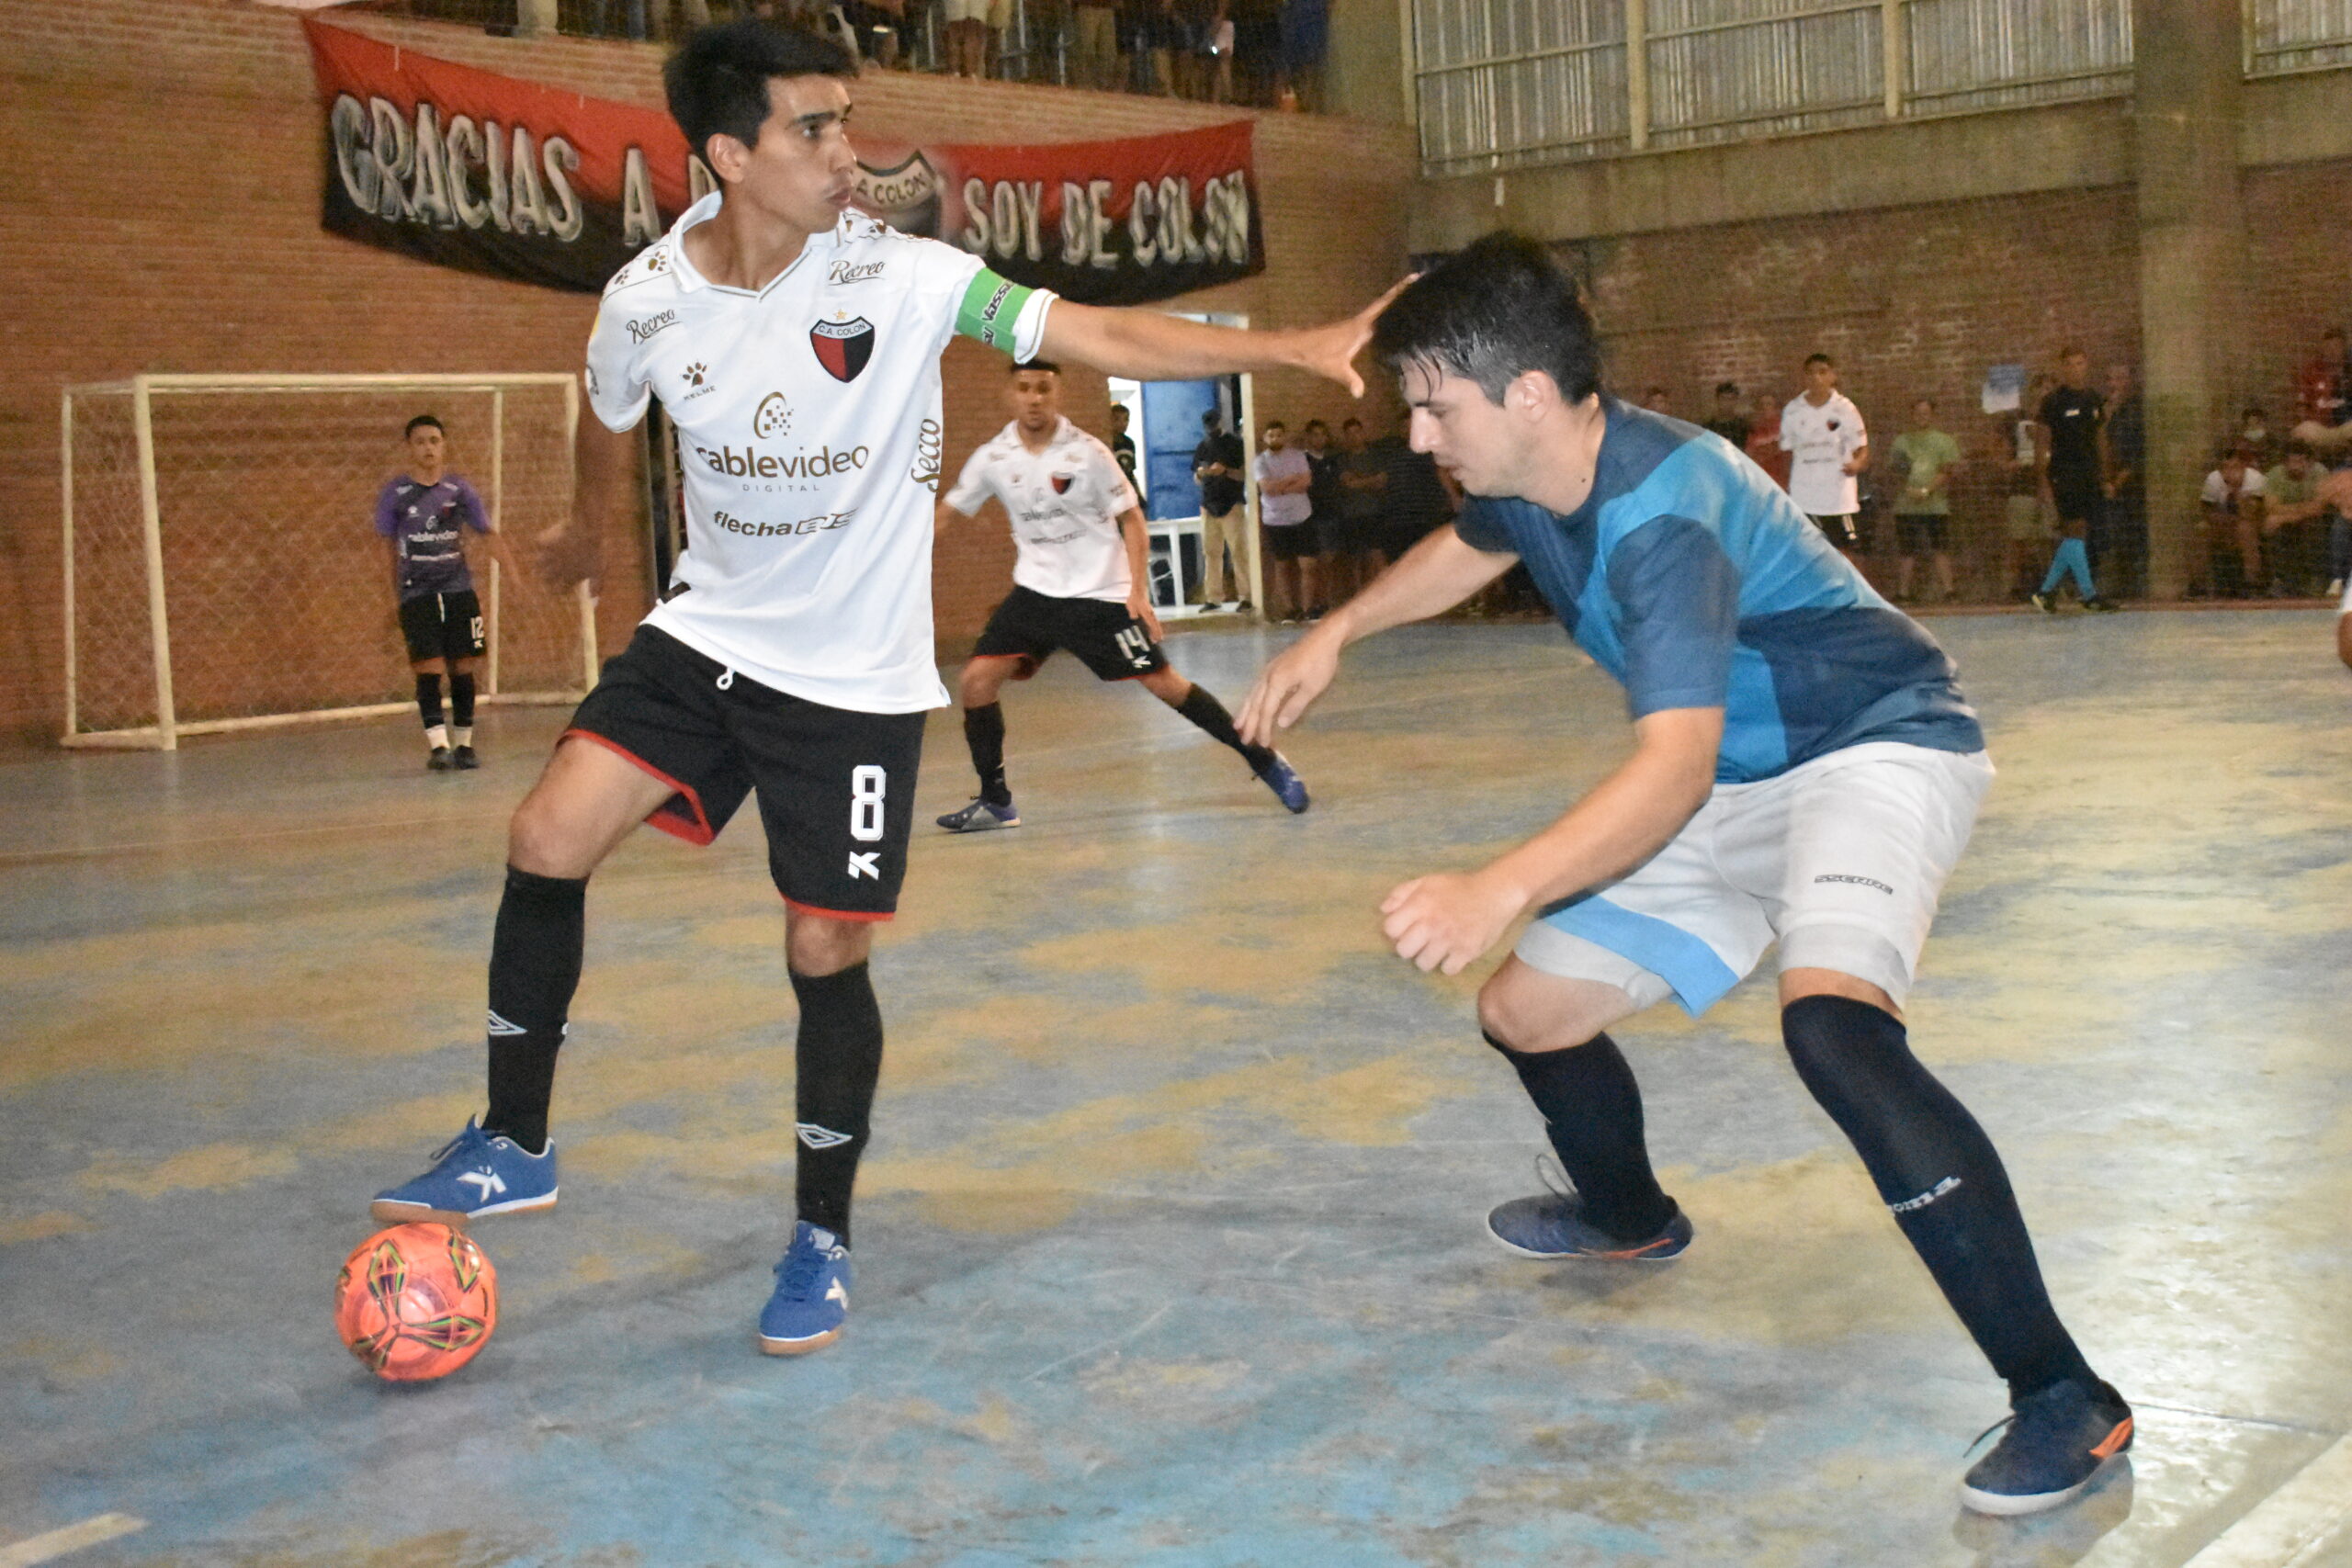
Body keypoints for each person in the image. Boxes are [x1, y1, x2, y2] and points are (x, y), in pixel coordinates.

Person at [367, 18, 1382, 1359]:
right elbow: (608, 413)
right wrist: (581, 538)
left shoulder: (905, 276)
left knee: (823, 945)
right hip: (708, 631)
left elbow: (1096, 327)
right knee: (543, 834)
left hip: (847, 678)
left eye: (846, 121)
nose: (848, 153)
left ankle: (822, 1235)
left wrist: (1288, 346)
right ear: (730, 153)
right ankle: (515, 1138)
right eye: (813, 130)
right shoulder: (647, 296)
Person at [1237, 233, 2132, 1519]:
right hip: (1733, 776)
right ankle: (1629, 1212)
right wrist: (1337, 627)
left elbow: (1666, 770)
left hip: (1868, 746)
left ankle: (2066, 1393)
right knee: (1524, 1011)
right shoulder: (1540, 470)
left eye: (1435, 402)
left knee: (1834, 1029)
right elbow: (1475, 542)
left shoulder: (1661, 513)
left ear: (1526, 395)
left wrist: (1505, 882)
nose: (1421, 433)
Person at [933, 362, 1307, 830]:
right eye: (1025, 389)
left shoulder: (1088, 452)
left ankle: (1265, 759)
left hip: (1100, 596)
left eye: (1044, 389)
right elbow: (946, 513)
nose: (1034, 398)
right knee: (976, 681)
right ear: (1010, 394)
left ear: (1058, 394)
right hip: (1035, 594)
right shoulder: (994, 456)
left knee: (1167, 686)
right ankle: (996, 801)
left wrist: (1137, 592)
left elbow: (1131, 519)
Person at [374, 413, 508, 772]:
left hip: (458, 591)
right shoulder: (396, 494)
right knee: (428, 668)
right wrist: (392, 599)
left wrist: (513, 570)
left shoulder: (459, 491)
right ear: (409, 448)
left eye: (434, 440)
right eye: (420, 441)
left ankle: (465, 744)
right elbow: (386, 548)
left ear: (444, 444)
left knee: (464, 667)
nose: (428, 448)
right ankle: (438, 746)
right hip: (416, 594)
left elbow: (486, 531)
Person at [2032, 349, 2114, 612]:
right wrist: (2043, 482)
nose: (2075, 369)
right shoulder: (2053, 402)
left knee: (2077, 534)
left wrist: (2105, 475)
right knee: (2075, 529)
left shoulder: (2093, 398)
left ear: (2086, 365)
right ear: (2062, 369)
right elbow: (2042, 443)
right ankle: (2088, 595)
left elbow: (2100, 438)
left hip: (2089, 474)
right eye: (2070, 365)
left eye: (2080, 363)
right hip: (2064, 473)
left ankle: (2045, 593)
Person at [1780, 354, 1868, 553]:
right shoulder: (1793, 410)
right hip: (1804, 495)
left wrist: (1856, 464)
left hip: (1838, 496)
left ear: (1832, 376)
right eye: (1810, 373)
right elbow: (1786, 452)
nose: (1816, 378)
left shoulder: (1845, 408)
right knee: (1809, 552)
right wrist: (1787, 485)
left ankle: (1848, 585)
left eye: (1822, 372)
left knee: (1846, 550)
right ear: (1803, 377)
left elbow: (1862, 448)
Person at [1888, 398, 1962, 604]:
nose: (1922, 417)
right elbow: (1896, 471)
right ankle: (1903, 593)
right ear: (1912, 415)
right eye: (1918, 413)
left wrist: (1927, 490)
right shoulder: (1901, 442)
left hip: (1936, 504)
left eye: (1926, 413)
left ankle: (1949, 591)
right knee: (1907, 550)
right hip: (1906, 505)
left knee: (1941, 548)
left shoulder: (1944, 441)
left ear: (1933, 415)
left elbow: (1947, 470)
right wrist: (1908, 489)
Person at [1253, 419, 1318, 618]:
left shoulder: (1298, 456)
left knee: (1307, 565)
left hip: (1302, 516)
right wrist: (1290, 480)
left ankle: (1307, 610)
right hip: (1275, 519)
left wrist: (1279, 487)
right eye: (1271, 435)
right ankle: (1290, 610)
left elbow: (1305, 482)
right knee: (1282, 566)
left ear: (1285, 436)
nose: (1276, 438)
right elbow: (1266, 488)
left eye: (1279, 435)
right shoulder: (1260, 461)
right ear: (1265, 438)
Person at [1193, 409, 1249, 608]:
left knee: (1239, 552)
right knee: (1211, 553)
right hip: (1208, 504)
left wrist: (1226, 471)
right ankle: (1213, 598)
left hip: (1231, 502)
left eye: (1213, 423)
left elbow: (1244, 475)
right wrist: (1201, 473)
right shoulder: (1202, 446)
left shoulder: (1236, 445)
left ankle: (1246, 596)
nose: (1211, 427)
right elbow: (1196, 477)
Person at [2099, 363, 2146, 599]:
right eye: (2109, 379)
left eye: (2118, 379)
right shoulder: (2103, 411)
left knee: (2134, 534)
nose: (2113, 385)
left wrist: (2118, 482)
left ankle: (2137, 585)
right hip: (2108, 482)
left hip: (2132, 486)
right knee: (2111, 535)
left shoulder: (2137, 410)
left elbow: (2138, 454)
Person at [2261, 443, 2329, 595]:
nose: (2298, 466)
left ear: (2311, 462)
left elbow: (2318, 508)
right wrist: (2300, 511)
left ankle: (2316, 579)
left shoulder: (2320, 473)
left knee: (2313, 526)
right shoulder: (2274, 475)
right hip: (2287, 521)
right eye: (2294, 461)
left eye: (2303, 461)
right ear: (2284, 463)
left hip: (2313, 520)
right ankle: (2281, 580)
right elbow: (2271, 507)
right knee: (2273, 526)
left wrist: (2286, 516)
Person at [2199, 447, 2267, 598]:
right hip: (2224, 522)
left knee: (2245, 530)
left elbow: (2252, 514)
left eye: (2234, 467)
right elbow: (2206, 512)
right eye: (2225, 468)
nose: (2229, 472)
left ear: (2243, 467)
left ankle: (2252, 584)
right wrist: (2221, 520)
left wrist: (2236, 491)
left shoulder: (2255, 480)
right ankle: (2198, 586)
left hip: (2250, 523)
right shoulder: (2213, 480)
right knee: (2201, 529)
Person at [1743, 389, 1788, 490]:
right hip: (1763, 483)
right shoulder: (1754, 431)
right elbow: (1749, 457)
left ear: (1776, 407)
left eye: (1769, 404)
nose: (1765, 408)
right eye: (1762, 405)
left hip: (1782, 483)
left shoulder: (1785, 428)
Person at [1702, 380, 1747, 449]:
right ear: (1717, 400)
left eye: (1731, 399)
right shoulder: (1708, 427)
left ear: (1736, 401)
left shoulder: (1743, 426)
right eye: (1724, 399)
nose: (1727, 403)